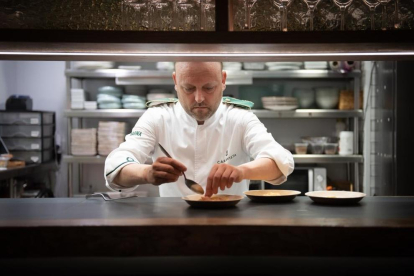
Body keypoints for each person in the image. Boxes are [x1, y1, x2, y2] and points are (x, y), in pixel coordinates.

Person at [104, 62, 294, 197]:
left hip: (231, 221)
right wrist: (146, 174)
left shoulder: (240, 118)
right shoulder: (158, 117)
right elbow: (116, 164)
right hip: (173, 222)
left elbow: (280, 160)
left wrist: (242, 171)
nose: (199, 98)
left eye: (209, 87)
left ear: (223, 80)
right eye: (188, 88)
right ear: (175, 81)